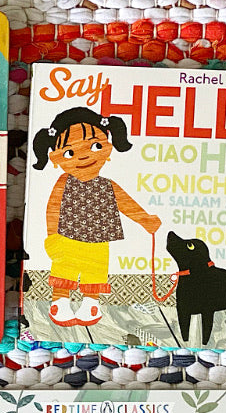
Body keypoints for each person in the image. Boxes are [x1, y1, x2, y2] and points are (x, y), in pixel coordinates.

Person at [31, 106, 161, 328]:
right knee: (65, 270)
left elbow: (126, 204)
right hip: (67, 239)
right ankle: (60, 302)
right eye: (70, 152)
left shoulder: (107, 185)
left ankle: (90, 304)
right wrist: (52, 236)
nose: (83, 156)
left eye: (95, 146)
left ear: (108, 148)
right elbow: (53, 209)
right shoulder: (64, 182)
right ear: (56, 158)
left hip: (99, 241)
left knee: (95, 271)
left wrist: (145, 219)